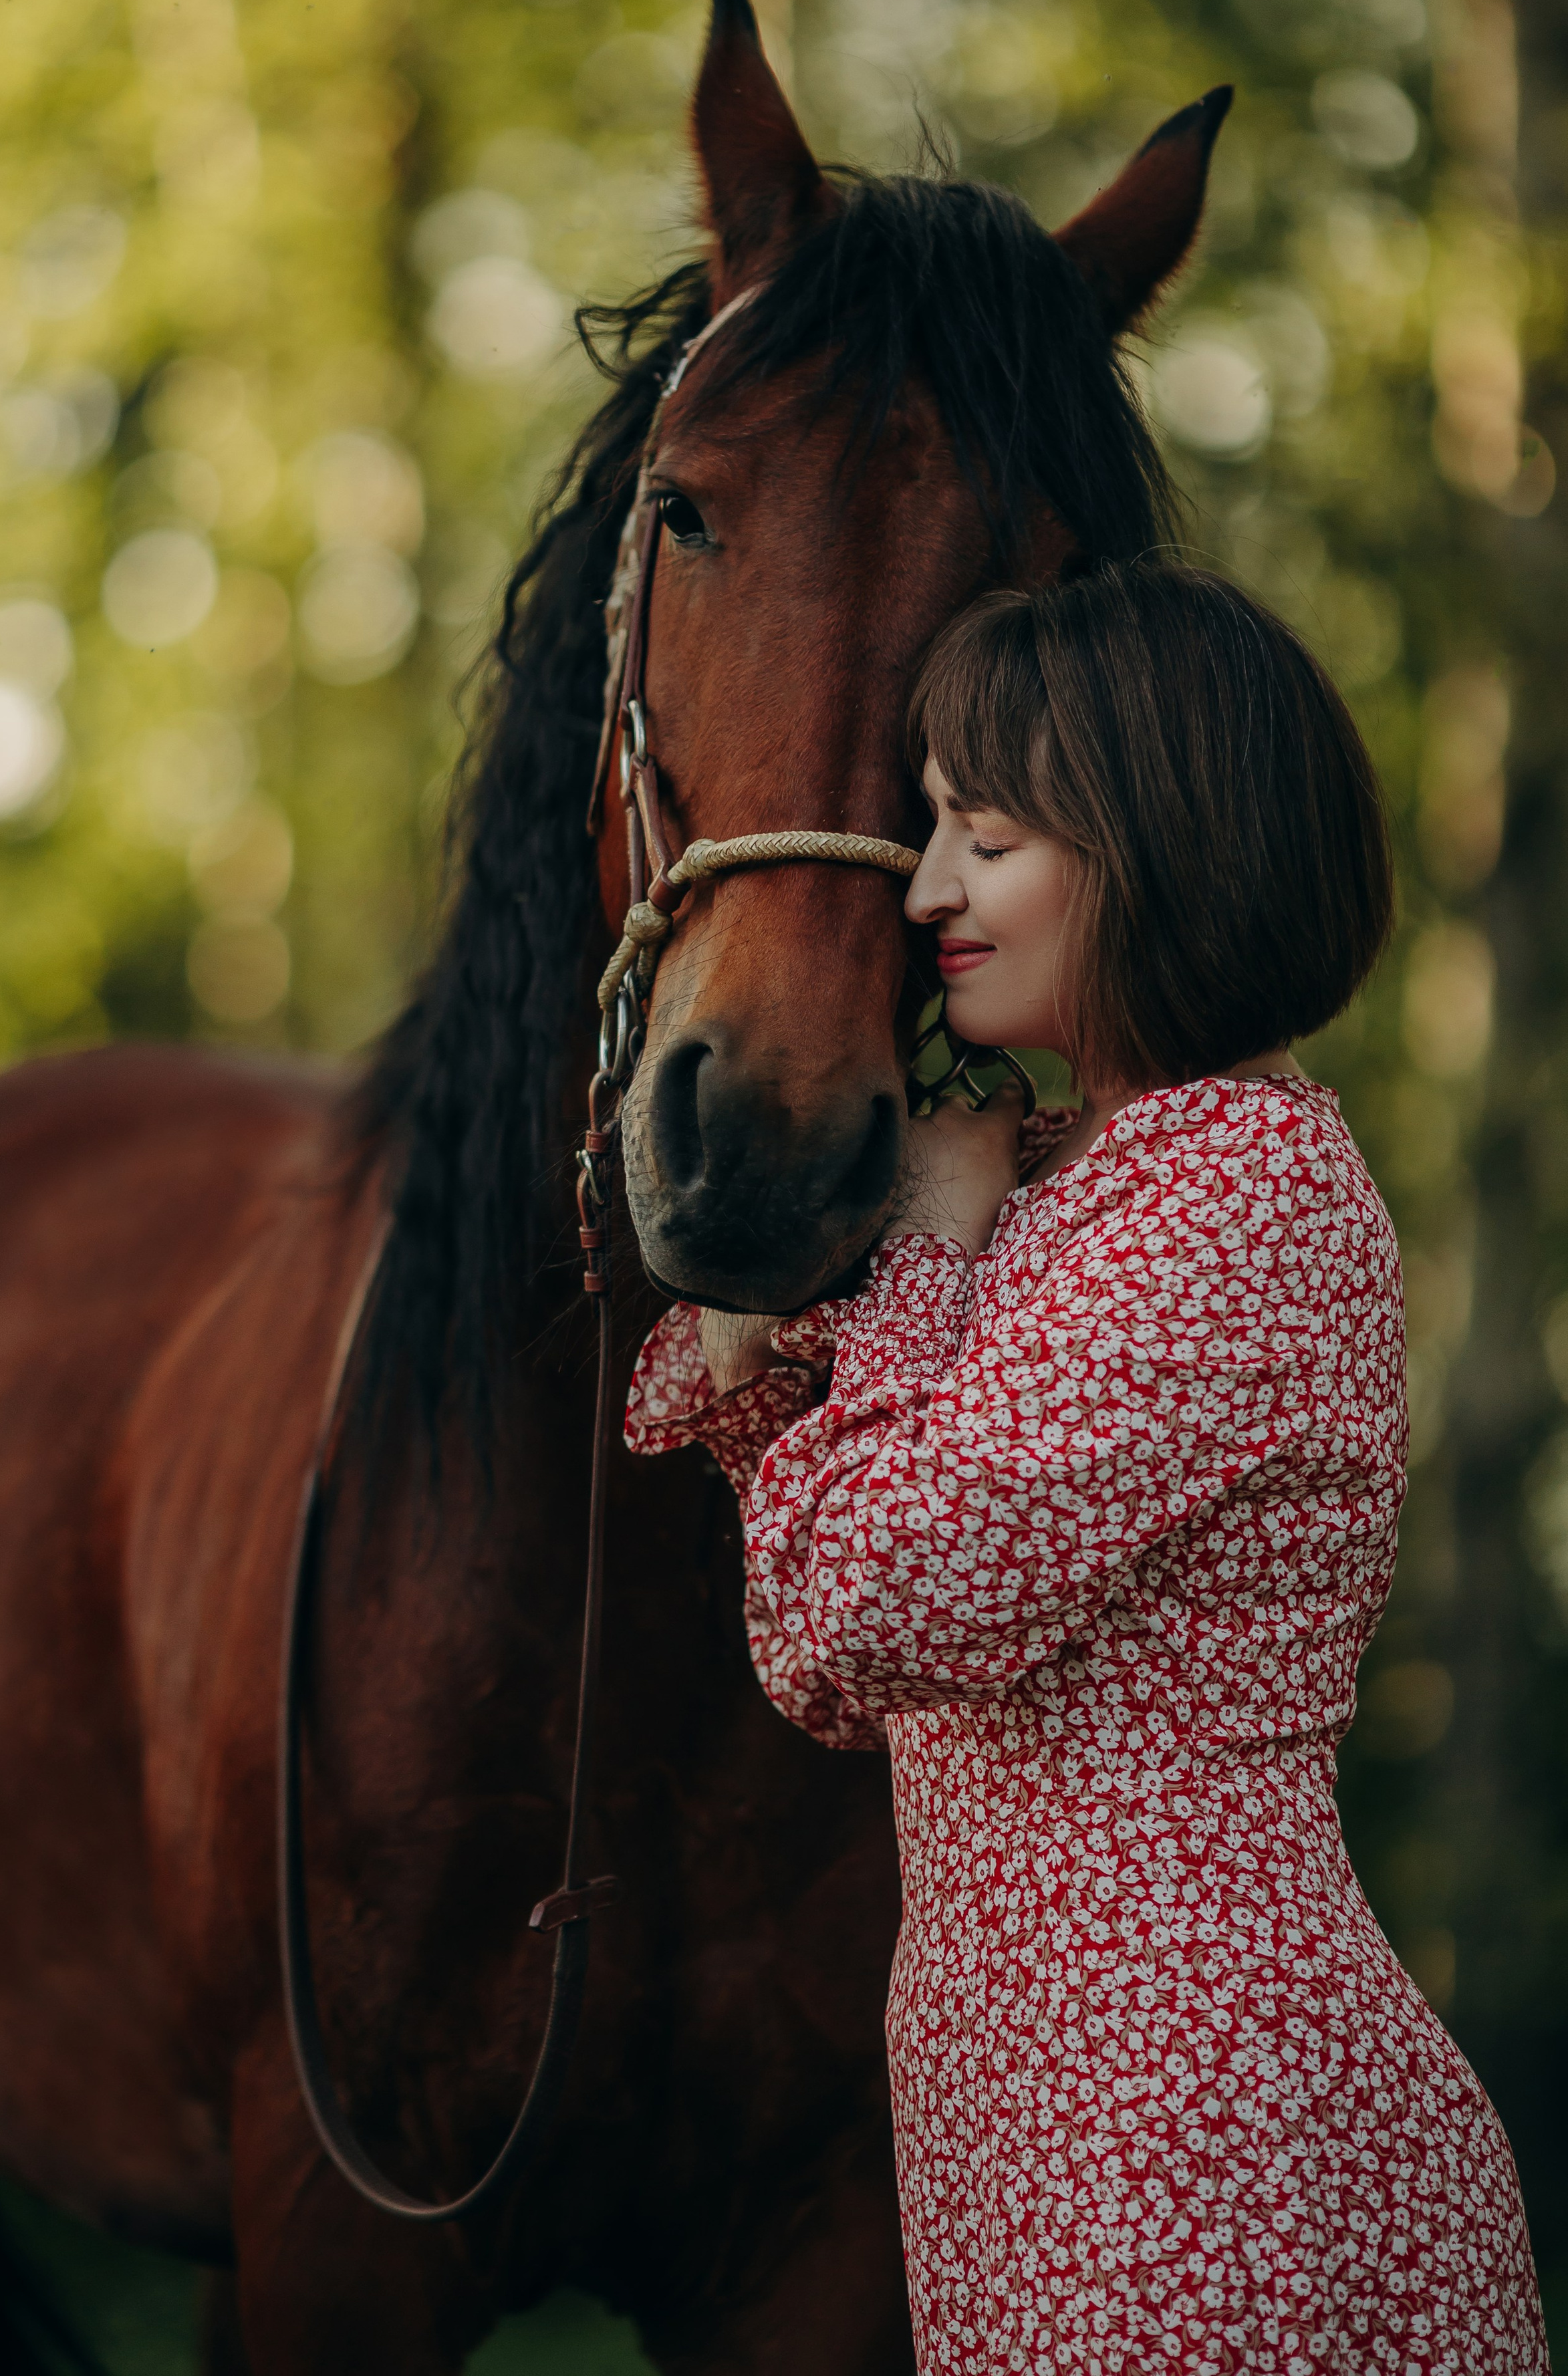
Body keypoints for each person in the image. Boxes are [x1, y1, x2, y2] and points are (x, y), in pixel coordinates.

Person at [624, 559, 1549, 2375]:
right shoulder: (1081, 1183)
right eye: (935, 827)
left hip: (1196, 2121)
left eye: (987, 833)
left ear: (1157, 842)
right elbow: (755, 1423)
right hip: (1031, 2105)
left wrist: (935, 1262)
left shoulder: (1232, 1200)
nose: (928, 884)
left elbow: (852, 1620)